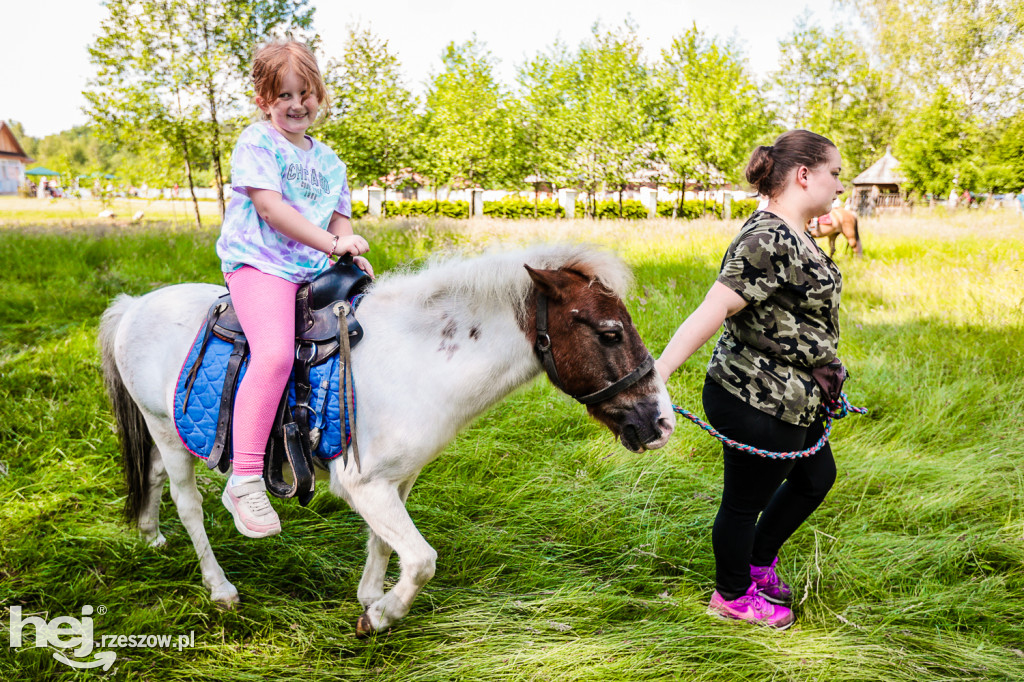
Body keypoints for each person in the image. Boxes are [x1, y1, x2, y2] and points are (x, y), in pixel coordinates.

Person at [655, 130, 846, 629]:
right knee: (743, 503)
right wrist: (657, 375)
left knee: (815, 478)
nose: (840, 187)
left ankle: (758, 562)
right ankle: (732, 596)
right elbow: (714, 308)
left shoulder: (796, 231)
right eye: (836, 174)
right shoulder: (767, 237)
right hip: (756, 397)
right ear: (804, 175)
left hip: (794, 397)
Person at [215, 40, 373, 539]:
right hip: (261, 265)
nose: (297, 104)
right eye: (283, 95)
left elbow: (339, 218)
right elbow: (271, 210)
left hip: (309, 268)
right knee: (277, 353)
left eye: (305, 93)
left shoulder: (330, 160)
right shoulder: (257, 144)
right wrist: (331, 243)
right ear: (263, 99)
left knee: (368, 332)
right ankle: (244, 478)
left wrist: (346, 246)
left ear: (318, 95)